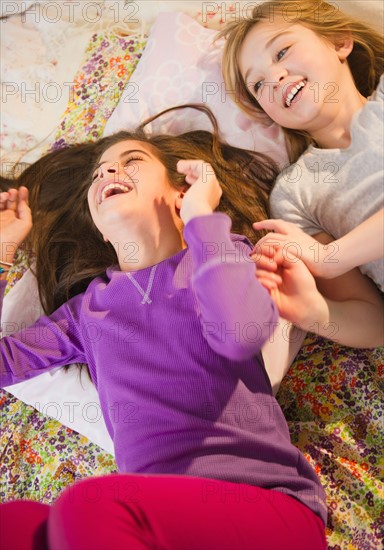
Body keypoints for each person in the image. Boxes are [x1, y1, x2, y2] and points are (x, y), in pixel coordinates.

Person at [0, 116, 329, 549]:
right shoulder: (85, 315)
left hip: (266, 510)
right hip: (153, 526)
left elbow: (239, 333)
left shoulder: (223, 257)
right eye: (99, 173)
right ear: (99, 227)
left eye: (131, 161)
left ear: (179, 193)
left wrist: (201, 218)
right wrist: (4, 254)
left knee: (92, 504)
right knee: (15, 522)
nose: (108, 173)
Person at [219, 0, 384, 292]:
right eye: (257, 85)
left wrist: (331, 258)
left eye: (282, 52)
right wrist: (310, 314)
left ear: (339, 42)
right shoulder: (294, 193)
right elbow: (371, 321)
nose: (273, 78)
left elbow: (328, 260)